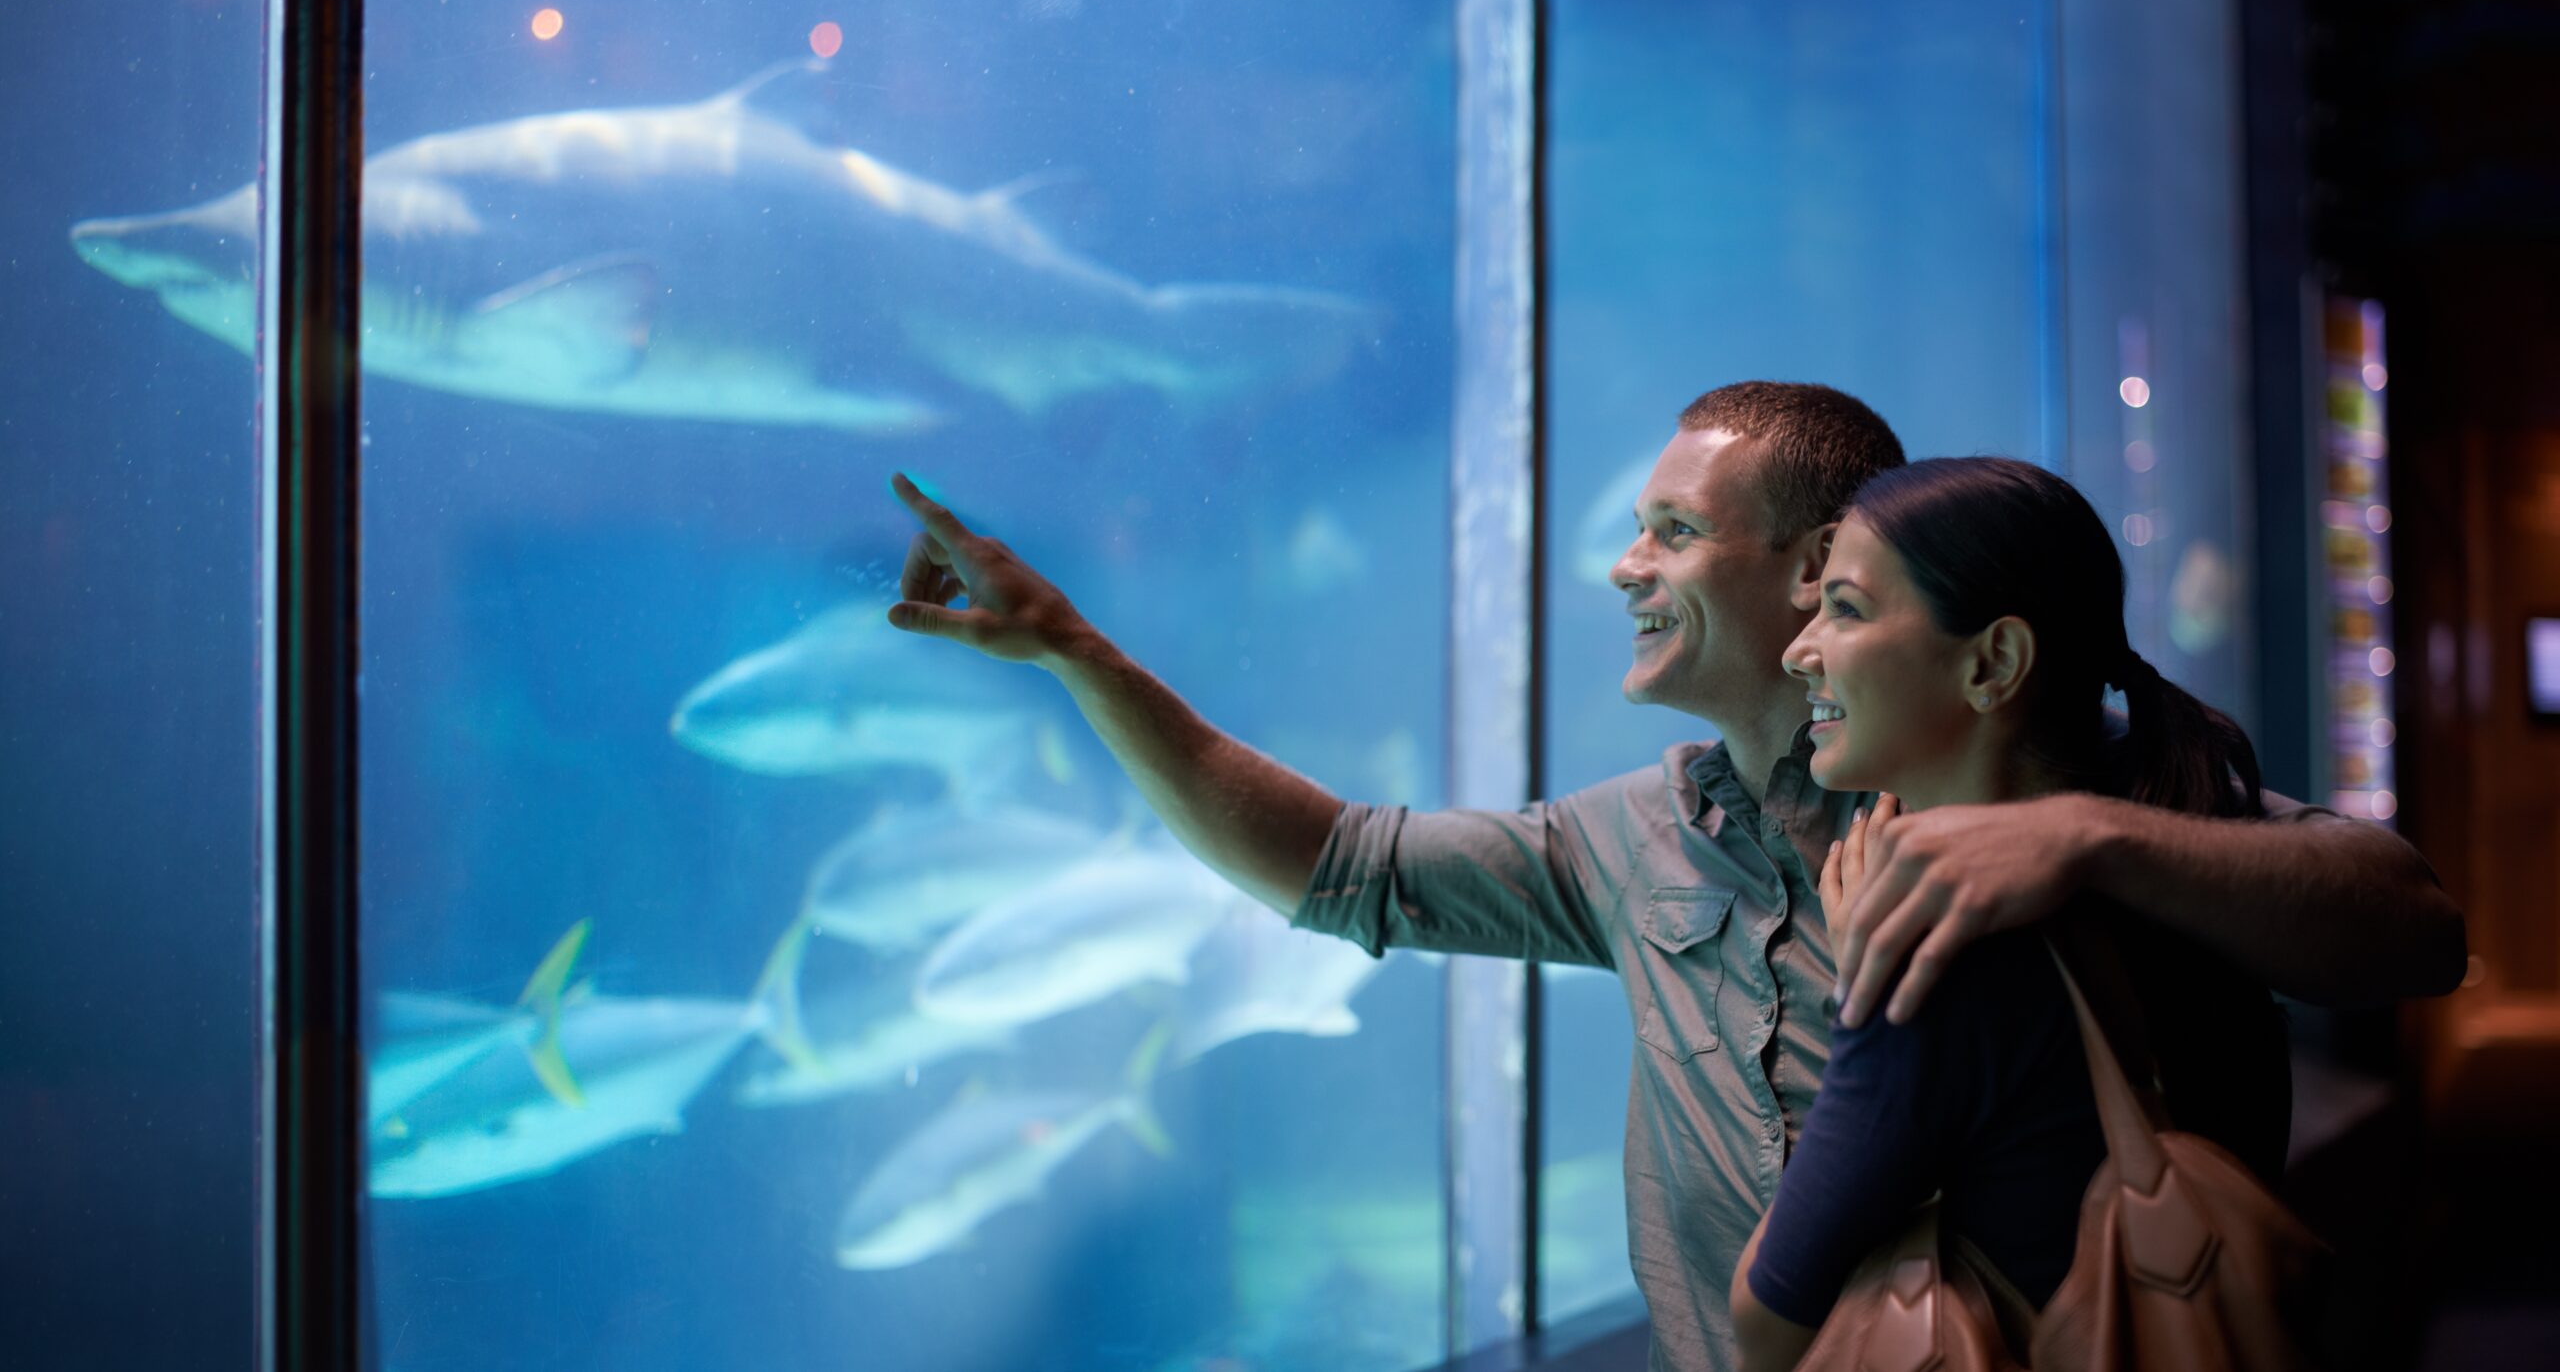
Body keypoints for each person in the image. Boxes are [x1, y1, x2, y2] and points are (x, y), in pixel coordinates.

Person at [883, 381, 2464, 1372]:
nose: (1624, 565)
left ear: (1807, 571)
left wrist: (2095, 839)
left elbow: (2411, 926)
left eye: (1669, 529)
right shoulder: (1631, 841)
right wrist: (1077, 653)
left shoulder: (2077, 795)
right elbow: (1335, 862)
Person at [1731, 456, 2294, 1370]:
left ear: (1993, 662)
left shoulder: (1938, 960)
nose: (1801, 649)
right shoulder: (2186, 883)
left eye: (1846, 608)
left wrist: (1862, 988)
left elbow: (1765, 1318)